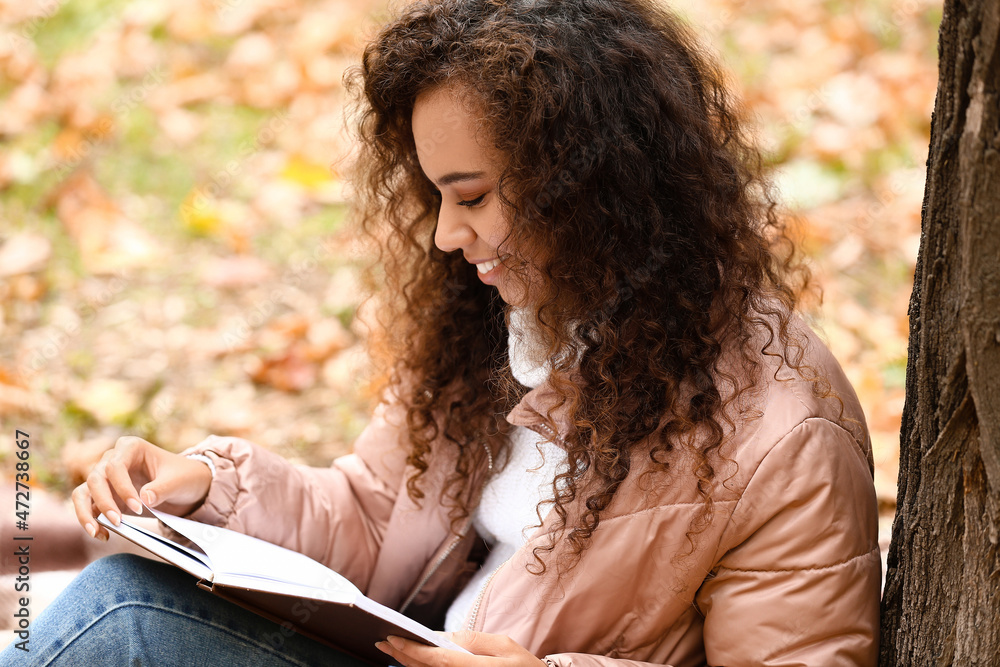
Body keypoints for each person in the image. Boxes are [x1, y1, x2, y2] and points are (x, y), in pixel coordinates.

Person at [4, 0, 882, 664]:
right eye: (435, 197)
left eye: (472, 197)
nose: (444, 236)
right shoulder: (510, 322)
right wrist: (206, 487)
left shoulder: (782, 429)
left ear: (591, 183)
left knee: (120, 616)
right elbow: (375, 517)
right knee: (111, 594)